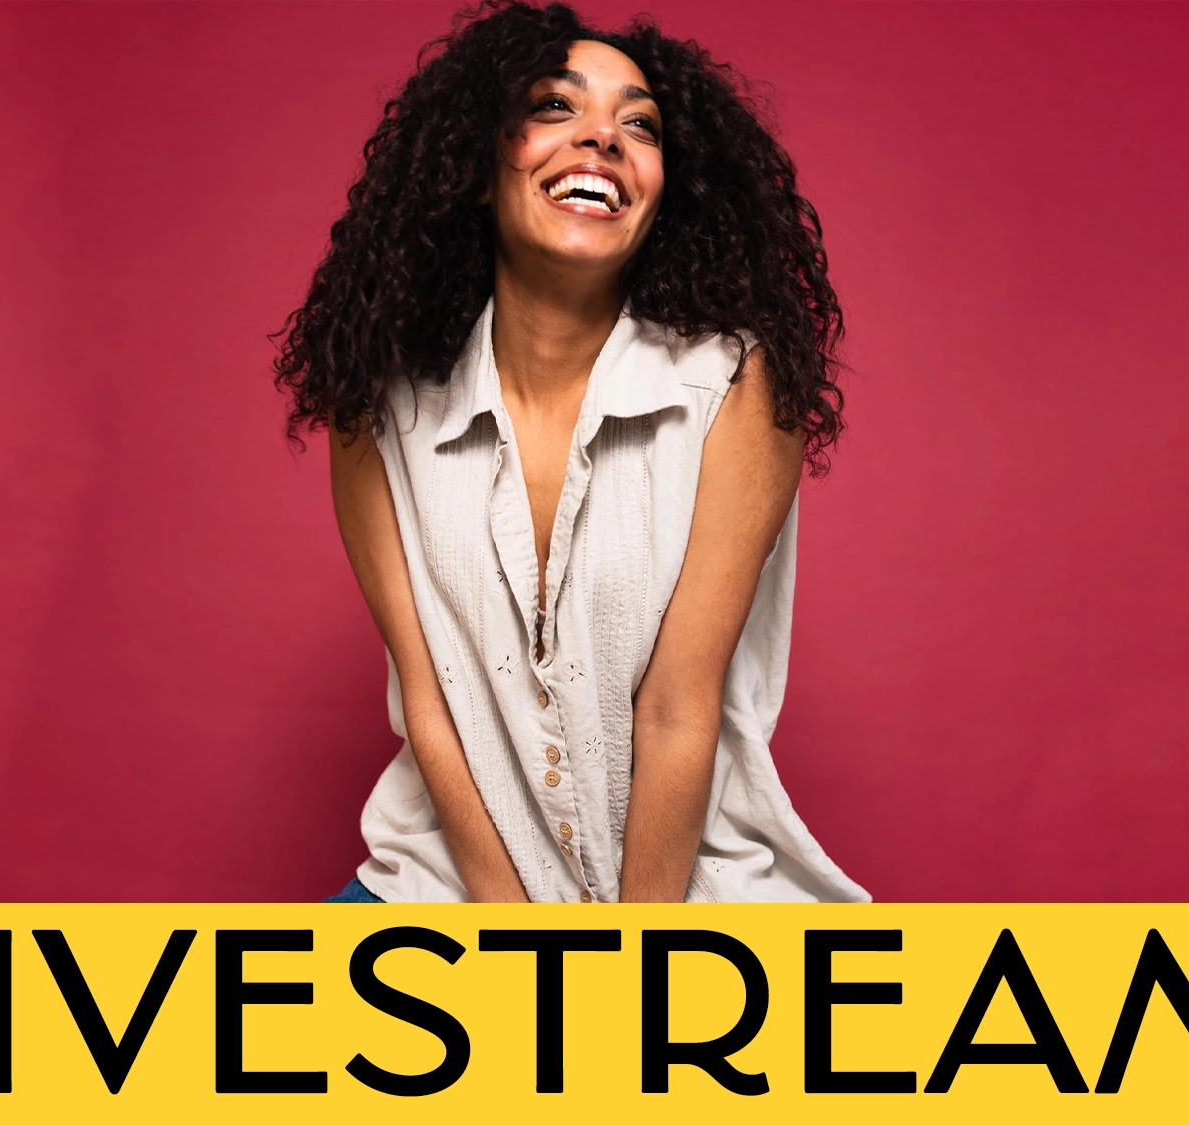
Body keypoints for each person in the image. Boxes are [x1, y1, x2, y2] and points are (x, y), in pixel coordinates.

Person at [274, 0, 867, 903]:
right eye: (557, 107)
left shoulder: (736, 385)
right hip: (447, 887)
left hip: (687, 896)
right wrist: (514, 948)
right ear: (478, 166)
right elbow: (434, 704)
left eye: (639, 124)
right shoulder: (377, 401)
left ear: (666, 190)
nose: (603, 139)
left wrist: (621, 983)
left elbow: (677, 707)